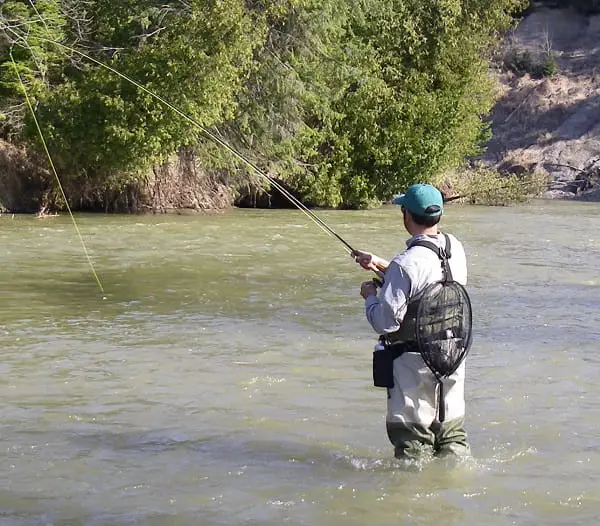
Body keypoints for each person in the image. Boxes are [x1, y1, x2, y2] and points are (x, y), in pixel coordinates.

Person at [354, 183, 471, 460]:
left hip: (413, 366)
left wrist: (370, 295)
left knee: (412, 448)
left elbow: (385, 323)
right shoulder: (456, 248)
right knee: (452, 439)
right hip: (451, 359)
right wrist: (382, 265)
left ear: (406, 214)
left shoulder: (405, 264)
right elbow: (433, 283)